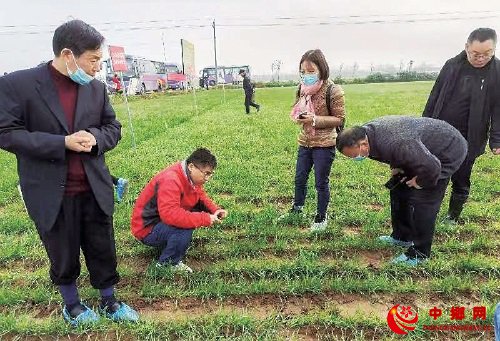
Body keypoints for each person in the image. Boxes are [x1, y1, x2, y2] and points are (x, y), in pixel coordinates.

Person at [0, 19, 138, 326]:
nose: (97, 68)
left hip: (94, 186)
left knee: (102, 246)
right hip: (51, 190)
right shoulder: (18, 85)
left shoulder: (97, 89)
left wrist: (95, 139)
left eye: (99, 61)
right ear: (68, 55)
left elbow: (112, 128)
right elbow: (6, 133)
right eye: (93, 60)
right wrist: (61, 143)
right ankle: (72, 305)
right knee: (62, 251)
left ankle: (109, 301)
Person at [336, 116, 467, 265]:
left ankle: (420, 253)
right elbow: (396, 152)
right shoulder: (365, 134)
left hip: (446, 150)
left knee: (424, 200)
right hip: (420, 151)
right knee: (399, 189)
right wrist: (396, 166)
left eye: (354, 155)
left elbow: (432, 167)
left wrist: (419, 181)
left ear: (364, 144)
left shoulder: (398, 142)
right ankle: (402, 236)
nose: (355, 158)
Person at [423, 27, 500, 224]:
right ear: (466, 47)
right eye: (476, 53)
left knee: (462, 176)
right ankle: (428, 212)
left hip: (471, 136)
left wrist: (496, 139)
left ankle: (452, 216)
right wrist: (423, 126)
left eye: (487, 54)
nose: (481, 58)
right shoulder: (452, 65)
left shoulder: (497, 72)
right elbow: (434, 96)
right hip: (442, 133)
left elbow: (498, 108)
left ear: (494, 49)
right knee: (435, 172)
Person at [131, 148, 227, 273]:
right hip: (146, 229)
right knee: (184, 226)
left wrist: (215, 210)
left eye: (210, 174)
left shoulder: (188, 176)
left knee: (188, 218)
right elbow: (170, 215)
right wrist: (204, 218)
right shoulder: (171, 179)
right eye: (206, 173)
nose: (208, 178)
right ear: (191, 166)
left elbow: (199, 196)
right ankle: (167, 263)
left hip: (159, 220)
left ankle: (171, 243)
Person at [281, 49, 345, 231]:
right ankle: (297, 208)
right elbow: (297, 109)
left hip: (324, 144)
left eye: (311, 71)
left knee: (320, 182)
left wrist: (315, 120)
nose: (306, 75)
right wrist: (299, 117)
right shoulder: (302, 89)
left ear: (321, 69)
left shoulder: (333, 90)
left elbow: (339, 119)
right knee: (300, 178)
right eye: (303, 71)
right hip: (305, 141)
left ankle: (321, 216)